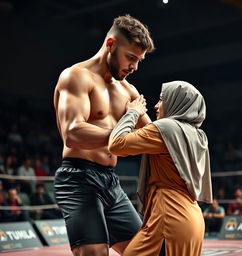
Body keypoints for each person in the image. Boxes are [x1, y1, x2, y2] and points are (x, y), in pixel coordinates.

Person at [53, 14, 155, 256]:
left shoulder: (128, 90)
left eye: (139, 60)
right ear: (111, 45)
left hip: (111, 181)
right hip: (78, 179)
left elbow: (152, 136)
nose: (134, 67)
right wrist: (125, 132)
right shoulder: (76, 76)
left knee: (147, 252)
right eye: (131, 57)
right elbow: (73, 133)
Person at [108, 81, 213, 256]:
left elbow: (116, 144)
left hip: (169, 216)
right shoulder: (198, 135)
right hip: (192, 218)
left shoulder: (167, 128)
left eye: (162, 100)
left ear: (176, 101)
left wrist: (133, 112)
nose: (157, 105)